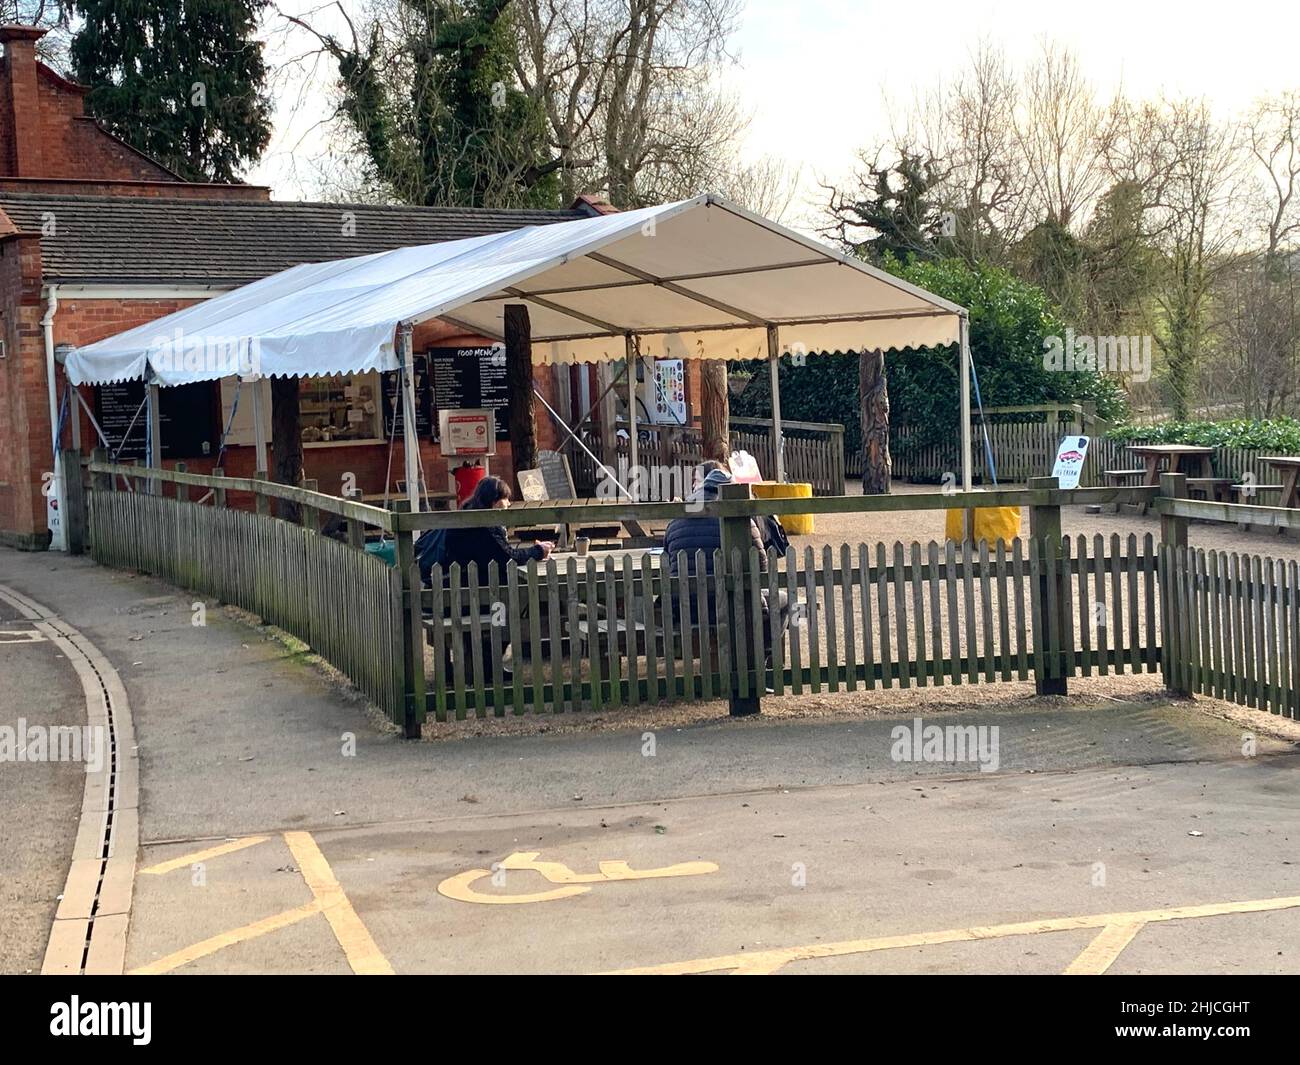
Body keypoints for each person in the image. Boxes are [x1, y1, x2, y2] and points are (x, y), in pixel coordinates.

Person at [662, 465, 789, 669]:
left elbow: (668, 562)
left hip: (688, 607)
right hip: (737, 605)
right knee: (787, 601)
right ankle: (761, 655)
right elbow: (761, 566)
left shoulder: (677, 519)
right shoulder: (741, 517)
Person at [444, 476, 554, 577]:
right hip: (479, 583)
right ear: (494, 502)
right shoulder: (484, 527)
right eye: (505, 498)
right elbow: (510, 557)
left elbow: (503, 551)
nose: (508, 503)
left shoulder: (469, 515)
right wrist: (539, 551)